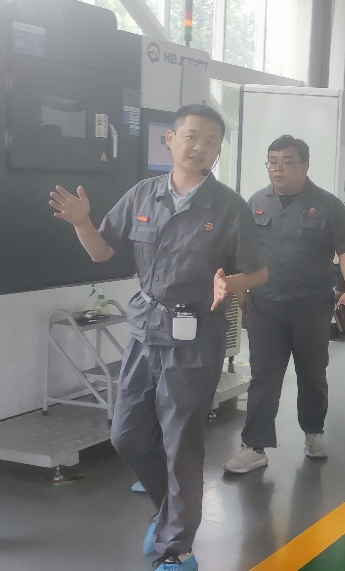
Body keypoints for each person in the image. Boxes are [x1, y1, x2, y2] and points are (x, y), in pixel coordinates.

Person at [48, 104, 267, 571]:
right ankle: (169, 513)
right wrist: (82, 222)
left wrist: (232, 283)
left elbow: (259, 271)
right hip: (146, 330)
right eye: (192, 136)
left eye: (211, 141)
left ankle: (177, 548)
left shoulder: (229, 206)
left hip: (196, 337)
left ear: (218, 150)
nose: (200, 147)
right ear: (170, 139)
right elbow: (102, 252)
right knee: (126, 434)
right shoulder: (142, 195)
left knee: (181, 443)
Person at [225, 134, 345, 471]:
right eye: (272, 162)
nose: (278, 168)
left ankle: (314, 431)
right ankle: (254, 446)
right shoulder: (256, 201)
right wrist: (240, 289)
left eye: (287, 161)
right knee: (263, 376)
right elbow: (243, 250)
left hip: (311, 307)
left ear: (305, 165)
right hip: (265, 307)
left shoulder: (327, 204)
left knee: (312, 374)